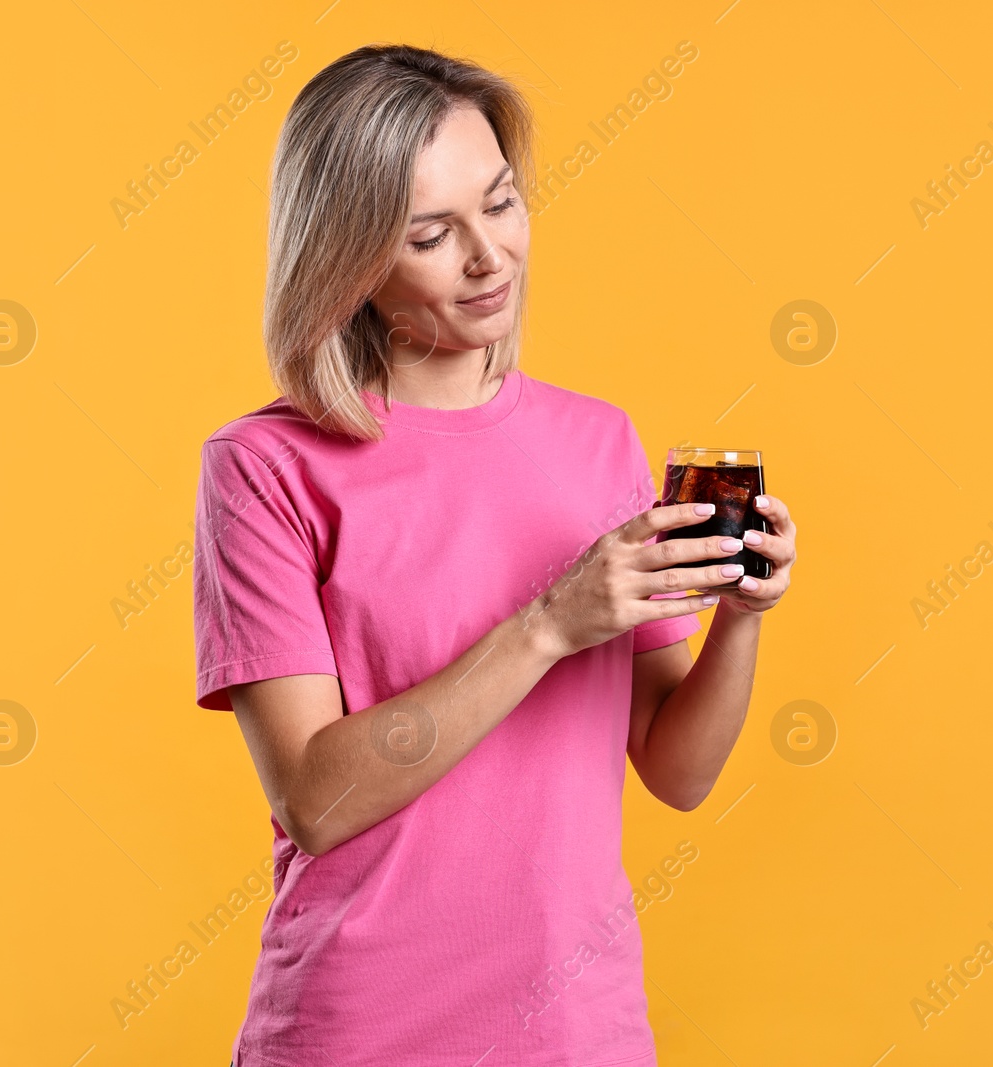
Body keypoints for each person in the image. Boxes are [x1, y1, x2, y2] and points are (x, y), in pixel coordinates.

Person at [192, 42, 797, 1067]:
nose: (490, 257)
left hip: (579, 1030)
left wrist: (741, 616)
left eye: (502, 204)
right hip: (357, 1031)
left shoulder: (596, 440)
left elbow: (678, 771)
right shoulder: (264, 467)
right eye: (430, 234)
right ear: (349, 260)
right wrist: (548, 624)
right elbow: (315, 797)